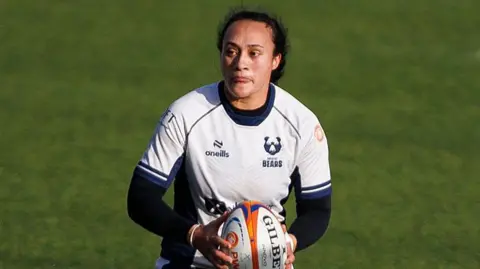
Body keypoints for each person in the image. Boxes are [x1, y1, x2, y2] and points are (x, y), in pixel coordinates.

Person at [127, 7, 332, 269]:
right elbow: (141, 198)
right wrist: (195, 235)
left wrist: (290, 241)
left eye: (254, 53)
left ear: (275, 60)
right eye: (231, 51)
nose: (240, 63)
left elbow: (317, 210)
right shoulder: (186, 115)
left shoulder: (301, 125)